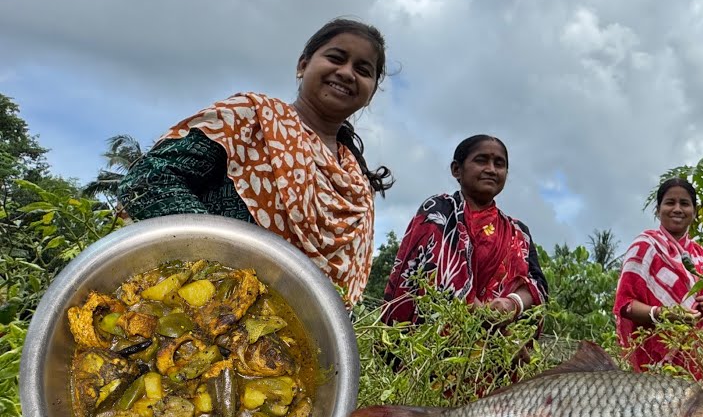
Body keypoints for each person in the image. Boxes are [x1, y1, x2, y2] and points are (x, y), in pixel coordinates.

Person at [119, 18, 393, 307]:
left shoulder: (358, 188)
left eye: (363, 70)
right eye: (336, 58)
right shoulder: (250, 119)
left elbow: (338, 299)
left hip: (290, 342)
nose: (348, 73)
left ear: (371, 92)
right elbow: (146, 181)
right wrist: (222, 267)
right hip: (189, 315)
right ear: (302, 65)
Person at [381, 134, 548, 327]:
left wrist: (512, 304)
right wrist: (492, 328)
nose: (491, 170)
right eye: (481, 160)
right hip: (435, 343)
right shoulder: (439, 210)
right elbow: (443, 276)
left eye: (499, 164)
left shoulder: (519, 232)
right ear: (456, 169)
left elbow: (538, 287)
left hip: (499, 354)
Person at [613, 177, 703, 381]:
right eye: (669, 202)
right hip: (653, 357)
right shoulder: (644, 247)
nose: (677, 209)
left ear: (694, 211)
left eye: (684, 203)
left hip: (698, 359)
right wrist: (666, 314)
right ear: (658, 210)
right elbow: (625, 305)